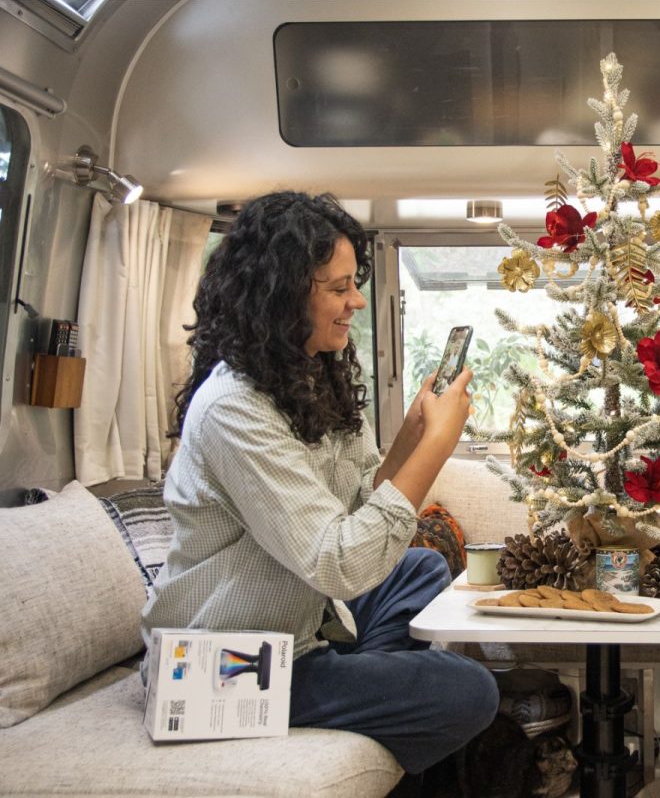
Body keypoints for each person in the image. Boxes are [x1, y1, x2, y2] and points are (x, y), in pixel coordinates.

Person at [141, 191, 498, 782]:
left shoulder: (311, 374)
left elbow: (360, 501)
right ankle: (365, 682)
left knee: (422, 570)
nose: (356, 301)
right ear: (281, 297)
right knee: (468, 692)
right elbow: (338, 563)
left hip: (298, 623)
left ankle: (360, 676)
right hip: (218, 661)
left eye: (355, 284)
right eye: (338, 289)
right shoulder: (233, 409)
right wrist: (438, 448)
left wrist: (411, 436)